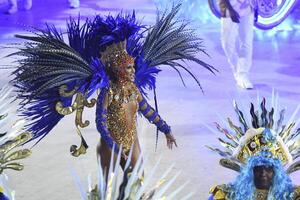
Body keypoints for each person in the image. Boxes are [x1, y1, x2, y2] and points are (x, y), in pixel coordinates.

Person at [10, 4, 216, 171]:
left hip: (132, 143)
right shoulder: (107, 94)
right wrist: (115, 147)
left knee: (137, 180)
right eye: (128, 68)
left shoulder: (134, 90)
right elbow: (101, 124)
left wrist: (166, 130)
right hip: (111, 147)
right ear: (118, 70)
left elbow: (148, 111)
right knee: (109, 188)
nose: (133, 71)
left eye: (133, 67)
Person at [208, 98, 300, 199]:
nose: (263, 173)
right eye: (258, 168)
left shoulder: (292, 196)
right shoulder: (228, 195)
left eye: (269, 168)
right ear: (249, 171)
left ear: (276, 172)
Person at [219, 0, 254, 89]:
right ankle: (237, 71)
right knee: (227, 43)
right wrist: (230, 10)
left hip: (247, 7)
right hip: (229, 7)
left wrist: (256, 8)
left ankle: (243, 74)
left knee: (246, 42)